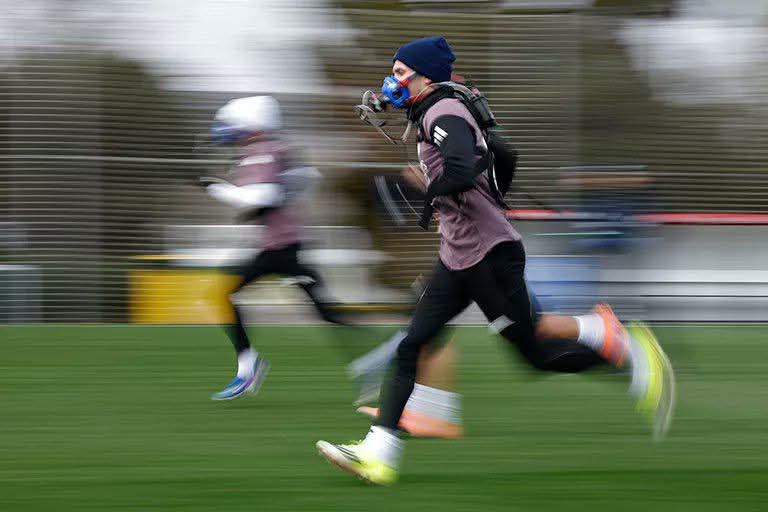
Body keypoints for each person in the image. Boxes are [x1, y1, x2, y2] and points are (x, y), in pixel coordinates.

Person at [316, 36, 675, 485]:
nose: (394, 80)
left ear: (426, 76)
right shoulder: (438, 110)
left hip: (489, 257)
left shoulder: (442, 112)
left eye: (402, 72)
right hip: (459, 257)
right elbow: (501, 154)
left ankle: (619, 344)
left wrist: (429, 198)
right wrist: (474, 195)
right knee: (414, 344)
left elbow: (463, 168)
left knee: (538, 354)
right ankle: (379, 454)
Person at [202, 95, 346, 400]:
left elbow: (261, 196)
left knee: (325, 312)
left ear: (252, 124)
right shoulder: (265, 150)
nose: (227, 130)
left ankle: (249, 366)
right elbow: (284, 189)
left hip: (282, 248)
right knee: (324, 311)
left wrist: (215, 189)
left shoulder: (261, 151)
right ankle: (248, 366)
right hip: (277, 247)